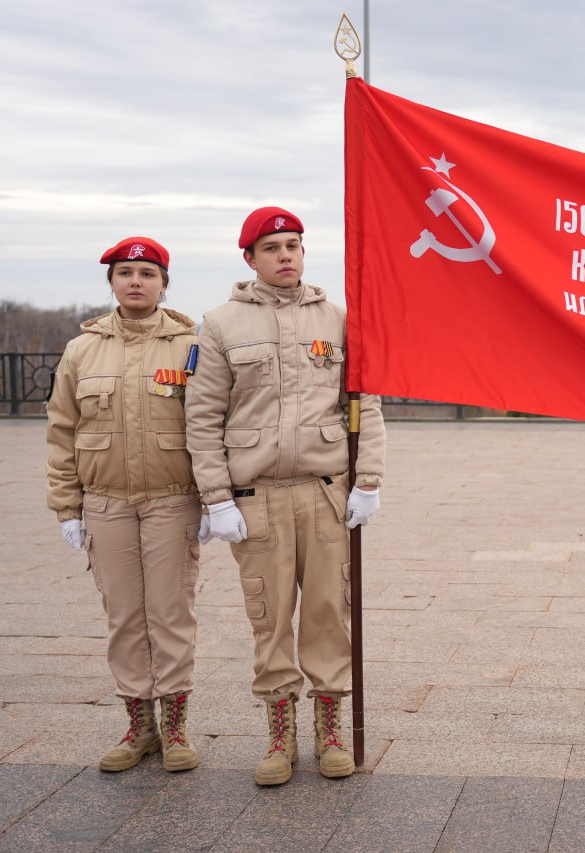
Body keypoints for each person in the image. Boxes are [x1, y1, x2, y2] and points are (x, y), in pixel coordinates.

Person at [185, 207, 385, 786]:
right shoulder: (221, 324)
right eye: (272, 247)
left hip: (325, 493)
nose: (286, 256)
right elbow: (203, 417)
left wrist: (367, 480)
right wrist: (216, 498)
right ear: (249, 258)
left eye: (294, 245)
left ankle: (329, 732)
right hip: (257, 497)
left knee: (328, 614)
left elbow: (364, 404)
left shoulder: (338, 318)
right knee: (269, 618)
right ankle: (279, 736)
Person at [45, 236, 206, 773]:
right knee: (124, 618)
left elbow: (210, 426)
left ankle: (177, 728)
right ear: (111, 283)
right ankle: (140, 728)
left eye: (147, 273)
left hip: (172, 501)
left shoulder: (192, 346)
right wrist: (68, 508)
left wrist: (213, 499)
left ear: (164, 283)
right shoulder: (82, 350)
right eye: (125, 273)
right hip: (107, 503)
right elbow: (62, 431)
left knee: (170, 614)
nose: (136, 281)